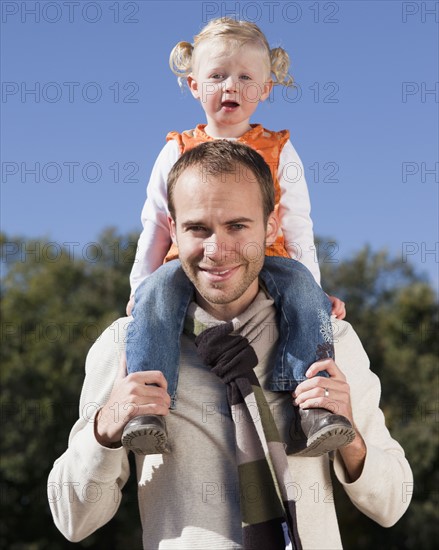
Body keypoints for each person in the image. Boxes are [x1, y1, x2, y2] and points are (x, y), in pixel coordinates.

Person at [48, 141, 412, 549]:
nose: (216, 251)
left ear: (270, 226)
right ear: (173, 228)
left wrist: (351, 436)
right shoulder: (127, 346)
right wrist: (104, 429)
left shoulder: (329, 343)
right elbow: (71, 519)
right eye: (198, 228)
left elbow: (393, 503)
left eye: (237, 226)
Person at [123, 17, 351, 457]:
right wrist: (140, 286)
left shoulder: (281, 150)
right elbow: (155, 223)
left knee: (302, 292)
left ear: (266, 89)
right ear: (193, 85)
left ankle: (314, 403)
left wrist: (316, 290)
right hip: (188, 263)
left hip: (266, 259)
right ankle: (148, 405)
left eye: (246, 77)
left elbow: (299, 224)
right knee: (155, 298)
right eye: (217, 76)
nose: (231, 87)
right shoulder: (176, 149)